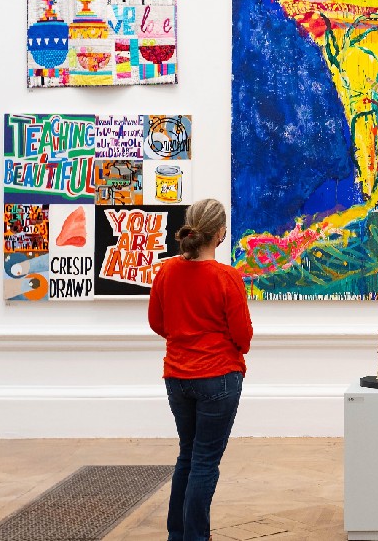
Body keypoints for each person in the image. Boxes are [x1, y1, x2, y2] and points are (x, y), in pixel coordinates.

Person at [147, 199, 254, 541]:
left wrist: (184, 338)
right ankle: (194, 537)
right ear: (220, 234)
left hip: (177, 377)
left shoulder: (165, 272)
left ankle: (177, 535)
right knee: (205, 461)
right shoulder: (227, 277)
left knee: (187, 456)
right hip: (218, 377)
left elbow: (158, 323)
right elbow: (243, 335)